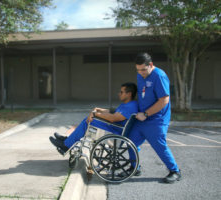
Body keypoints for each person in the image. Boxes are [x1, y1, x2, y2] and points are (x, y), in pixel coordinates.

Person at [124, 53, 182, 184]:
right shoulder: (140, 75)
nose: (141, 72)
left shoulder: (159, 76)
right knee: (131, 142)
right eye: (138, 70)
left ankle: (175, 171)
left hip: (156, 119)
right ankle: (135, 168)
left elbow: (164, 100)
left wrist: (145, 114)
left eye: (143, 69)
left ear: (151, 65)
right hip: (141, 117)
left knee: (159, 146)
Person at [49, 83, 138, 154]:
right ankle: (67, 140)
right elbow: (112, 112)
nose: (119, 94)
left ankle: (65, 146)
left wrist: (95, 114)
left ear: (129, 94)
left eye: (121, 92)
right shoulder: (127, 104)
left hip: (114, 132)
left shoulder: (130, 107)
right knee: (87, 120)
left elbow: (113, 118)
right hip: (112, 128)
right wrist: (97, 109)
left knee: (87, 122)